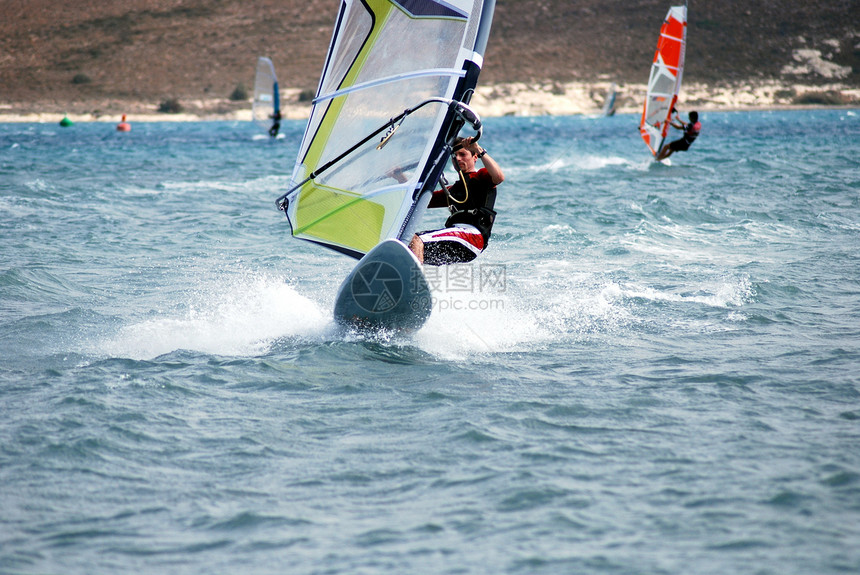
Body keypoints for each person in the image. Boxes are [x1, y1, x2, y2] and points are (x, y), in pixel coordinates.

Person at [409, 136, 504, 265]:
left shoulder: (480, 177)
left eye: (463, 154)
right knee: (411, 247)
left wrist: (478, 149)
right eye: (455, 155)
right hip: (460, 242)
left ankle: (412, 280)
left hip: (472, 236)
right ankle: (416, 280)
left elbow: (499, 176)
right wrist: (398, 176)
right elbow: (418, 199)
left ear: (475, 157)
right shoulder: (452, 191)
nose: (458, 158)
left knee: (416, 240)